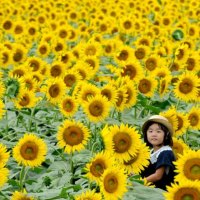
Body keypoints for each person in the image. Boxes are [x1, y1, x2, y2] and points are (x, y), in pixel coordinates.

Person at [140, 115, 176, 191]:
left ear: (166, 135)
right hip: (151, 192)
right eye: (150, 131)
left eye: (158, 131)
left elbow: (158, 176)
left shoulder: (165, 152)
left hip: (161, 193)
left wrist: (140, 182)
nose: (154, 134)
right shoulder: (151, 152)